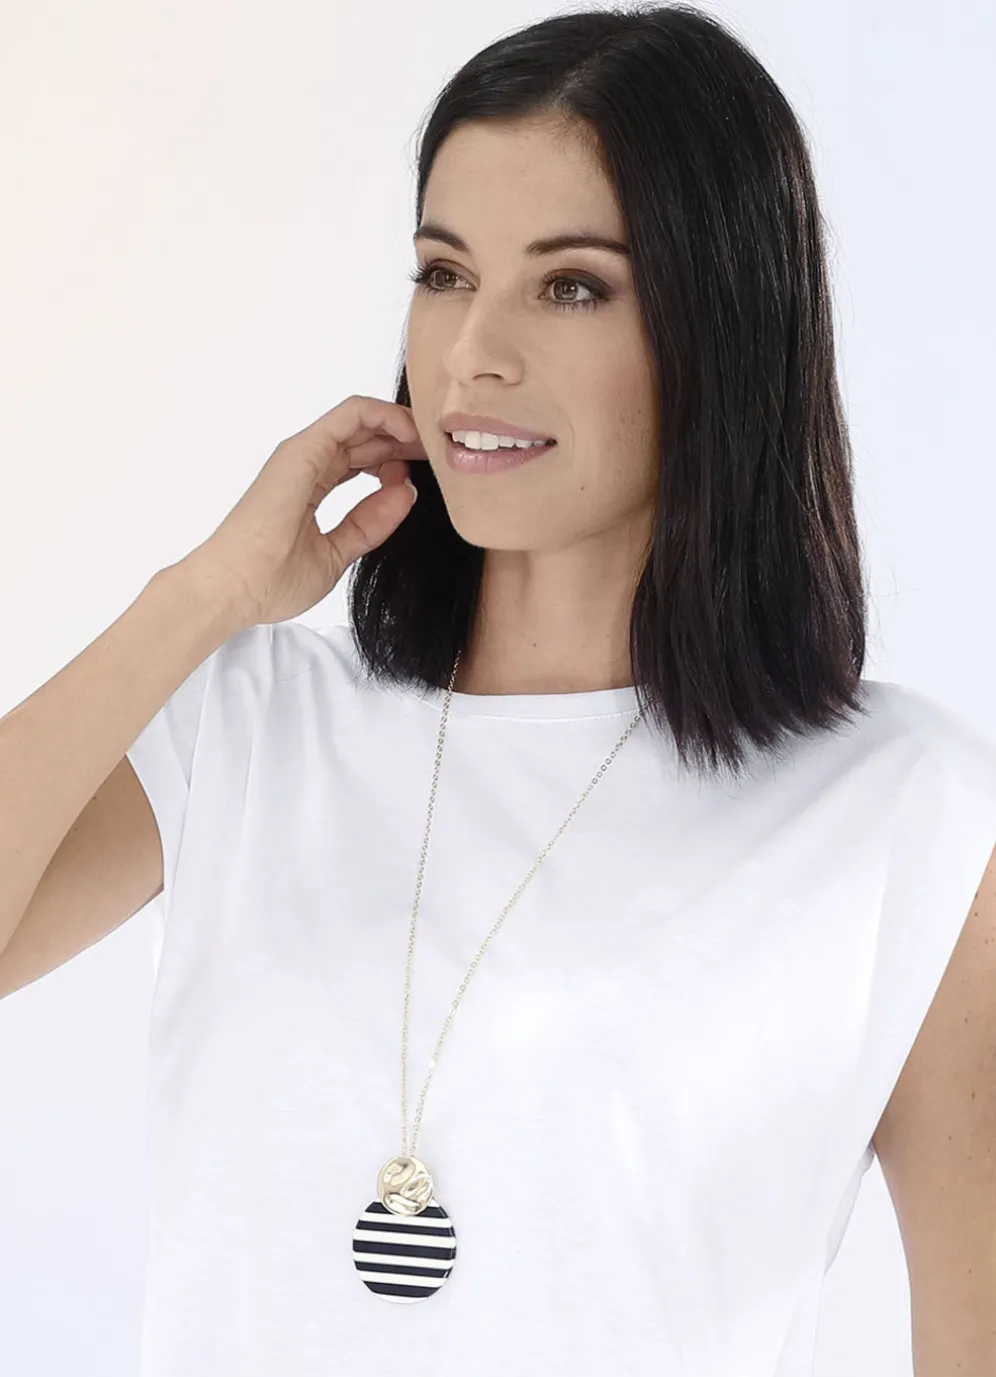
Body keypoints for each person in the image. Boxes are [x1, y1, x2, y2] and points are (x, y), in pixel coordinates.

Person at [2, 4, 995, 1374]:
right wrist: (203, 594)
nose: (474, 351)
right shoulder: (249, 721)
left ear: (724, 325)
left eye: (571, 286)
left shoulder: (904, 811)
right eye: (444, 272)